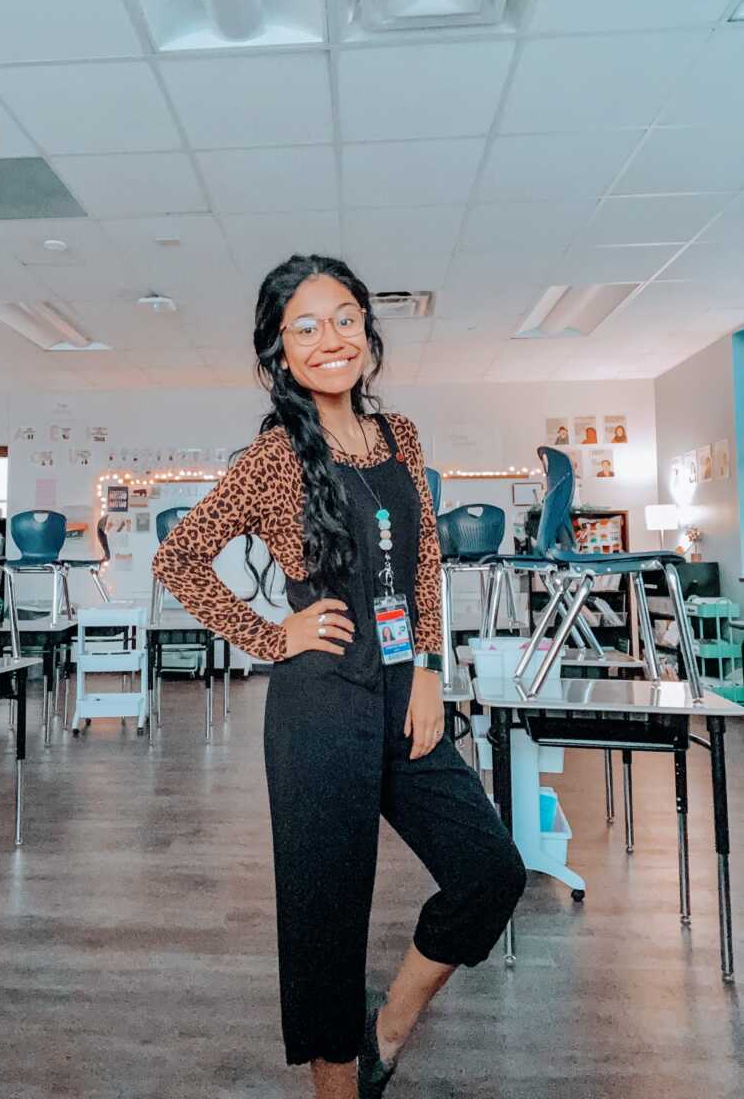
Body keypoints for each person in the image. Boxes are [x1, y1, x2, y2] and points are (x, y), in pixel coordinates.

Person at [152, 255, 525, 1099]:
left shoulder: (402, 437)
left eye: (347, 317)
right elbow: (179, 557)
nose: (333, 338)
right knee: (326, 926)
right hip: (319, 706)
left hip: (404, 696)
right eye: (308, 326)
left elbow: (424, 558)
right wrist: (270, 634)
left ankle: (382, 1036)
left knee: (490, 871)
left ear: (368, 328)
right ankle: (336, 1086)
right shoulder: (278, 455)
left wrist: (430, 669)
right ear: (281, 352)